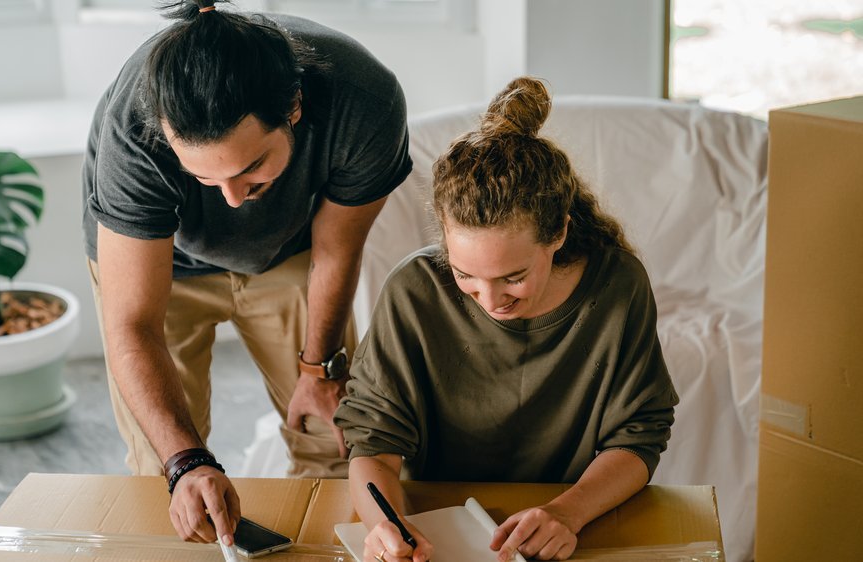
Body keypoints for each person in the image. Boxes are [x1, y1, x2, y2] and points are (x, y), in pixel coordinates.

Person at [81, 0, 412, 548]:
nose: (233, 199)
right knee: (166, 471)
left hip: (291, 252)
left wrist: (318, 367)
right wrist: (186, 462)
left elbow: (337, 250)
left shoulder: (364, 101)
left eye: (250, 167)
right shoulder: (133, 131)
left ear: (295, 109)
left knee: (332, 438)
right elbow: (133, 325)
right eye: (205, 177)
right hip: (159, 264)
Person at [334, 76, 678, 562]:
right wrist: (386, 528)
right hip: (437, 525)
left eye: (513, 277)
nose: (489, 300)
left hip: (569, 523)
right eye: (464, 275)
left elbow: (640, 435)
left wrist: (567, 513)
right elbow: (373, 441)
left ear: (558, 231)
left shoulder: (617, 286)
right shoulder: (413, 291)